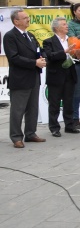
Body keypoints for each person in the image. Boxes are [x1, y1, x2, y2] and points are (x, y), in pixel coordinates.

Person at [4, 9, 47, 148]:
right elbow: (14, 57)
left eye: (28, 17)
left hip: (34, 76)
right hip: (20, 78)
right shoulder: (10, 36)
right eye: (25, 18)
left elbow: (37, 50)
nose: (28, 20)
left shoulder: (30, 35)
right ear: (16, 21)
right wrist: (34, 62)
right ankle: (16, 137)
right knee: (18, 109)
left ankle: (30, 133)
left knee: (33, 108)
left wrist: (41, 58)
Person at [43, 17, 79, 137]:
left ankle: (69, 125)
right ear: (56, 28)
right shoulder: (49, 41)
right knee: (54, 103)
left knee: (69, 102)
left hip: (70, 74)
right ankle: (54, 127)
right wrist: (65, 52)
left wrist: (79, 55)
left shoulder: (71, 40)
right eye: (64, 24)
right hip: (56, 76)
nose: (66, 26)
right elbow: (50, 56)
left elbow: (76, 57)